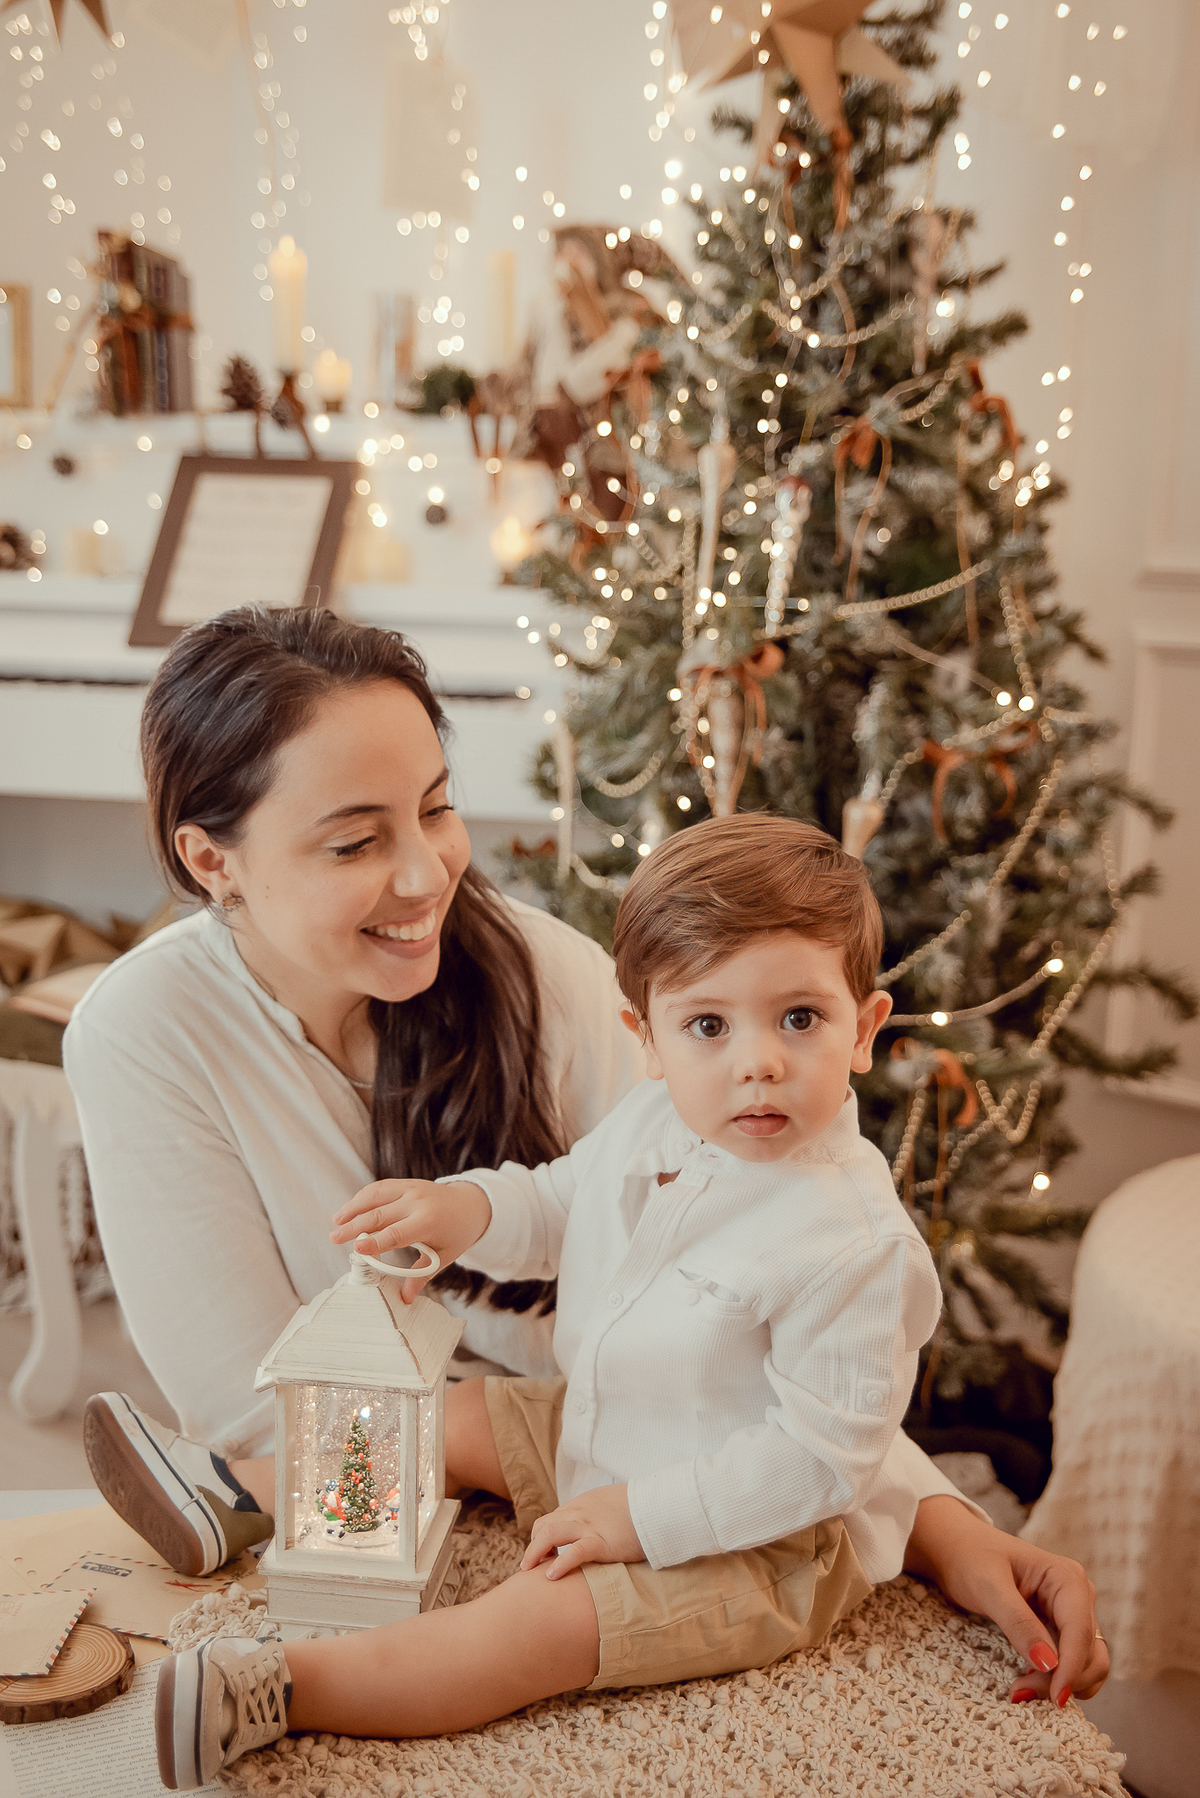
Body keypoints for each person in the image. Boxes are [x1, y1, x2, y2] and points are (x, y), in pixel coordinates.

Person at [65, 610, 1107, 1760]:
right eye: (356, 841)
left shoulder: (561, 985)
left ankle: (284, 1682)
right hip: (583, 1431)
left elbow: (783, 1341)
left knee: (530, 1615)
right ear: (213, 860)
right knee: (454, 1416)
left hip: (671, 1473)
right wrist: (465, 1213)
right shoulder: (147, 1034)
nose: (428, 873)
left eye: (437, 806)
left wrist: (943, 1525)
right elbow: (266, 1390)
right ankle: (229, 1494)